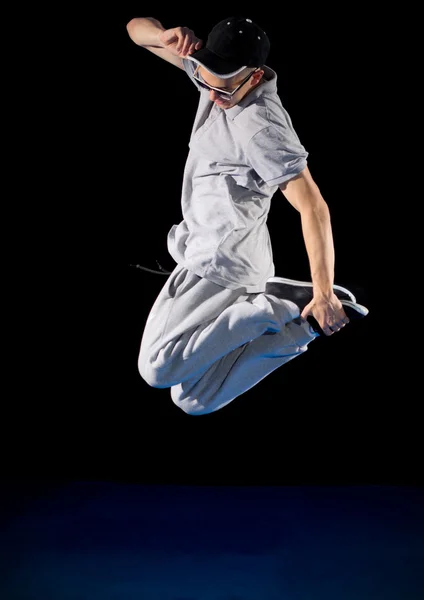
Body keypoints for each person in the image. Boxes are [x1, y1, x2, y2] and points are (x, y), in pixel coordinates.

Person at [126, 15, 369, 416]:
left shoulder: (262, 127)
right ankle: (298, 326)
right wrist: (162, 35)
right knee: (195, 399)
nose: (210, 94)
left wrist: (325, 294)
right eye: (203, 82)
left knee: (157, 369)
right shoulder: (214, 73)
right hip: (233, 258)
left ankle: (270, 307)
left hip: (217, 262)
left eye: (222, 91)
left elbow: (313, 206)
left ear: (254, 78)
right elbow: (135, 32)